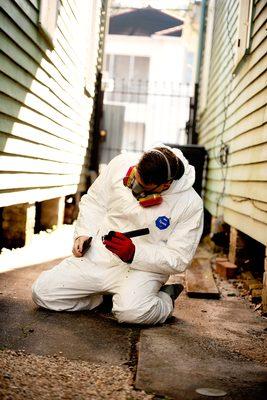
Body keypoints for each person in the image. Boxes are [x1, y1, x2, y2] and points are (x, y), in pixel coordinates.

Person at [32, 146, 203, 325]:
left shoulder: (190, 204)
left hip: (144, 269)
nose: (134, 188)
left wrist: (134, 253)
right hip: (101, 255)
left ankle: (165, 299)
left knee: (132, 313)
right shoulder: (121, 164)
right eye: (134, 179)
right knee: (43, 292)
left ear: (165, 185)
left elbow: (179, 258)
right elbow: (95, 202)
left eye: (143, 188)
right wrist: (83, 233)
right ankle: (103, 298)